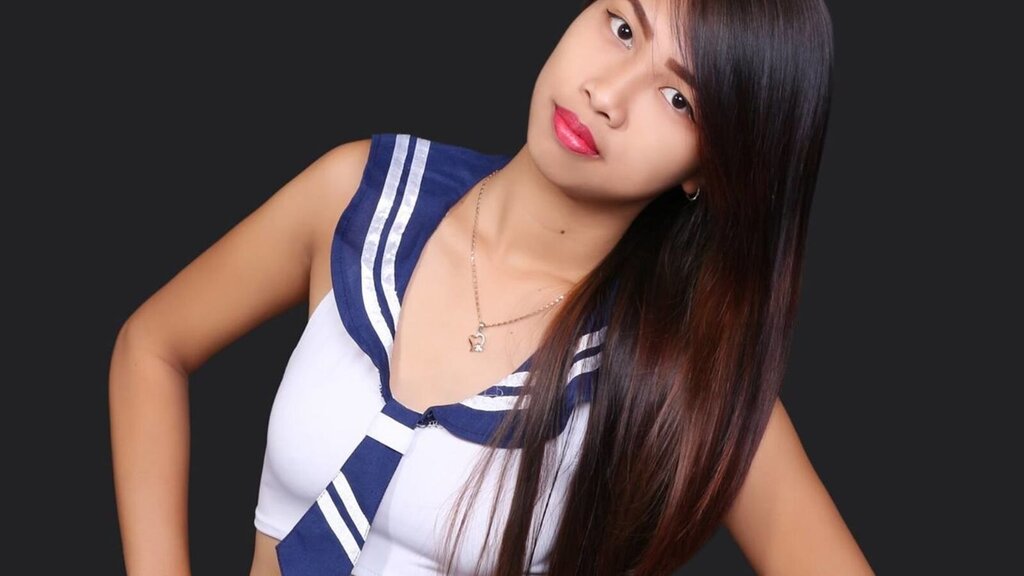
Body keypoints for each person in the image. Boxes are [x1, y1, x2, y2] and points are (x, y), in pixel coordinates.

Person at [109, 0, 874, 574]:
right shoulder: (364, 197)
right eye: (621, 28)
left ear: (710, 167)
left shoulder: (672, 365)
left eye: (678, 99)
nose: (608, 94)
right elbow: (152, 346)